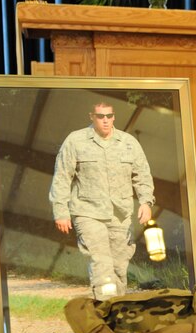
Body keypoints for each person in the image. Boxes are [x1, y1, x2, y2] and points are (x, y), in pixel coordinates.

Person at [49, 102, 155, 299]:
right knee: (102, 263)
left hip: (120, 214)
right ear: (92, 117)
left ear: (114, 117)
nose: (105, 120)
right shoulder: (75, 141)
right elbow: (62, 176)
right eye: (100, 116)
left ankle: (117, 309)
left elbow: (142, 175)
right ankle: (106, 308)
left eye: (108, 116)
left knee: (119, 266)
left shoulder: (128, 143)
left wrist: (146, 202)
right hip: (88, 212)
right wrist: (61, 211)